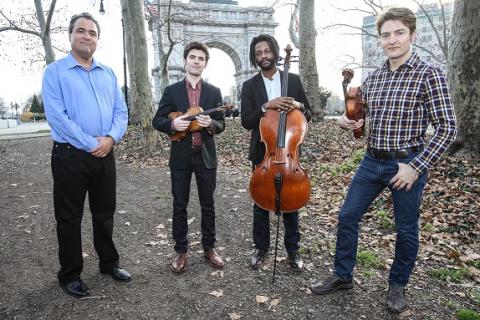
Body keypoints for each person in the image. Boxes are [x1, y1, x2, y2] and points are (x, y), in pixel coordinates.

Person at [310, 7, 457, 313]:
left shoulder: (430, 75)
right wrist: (351, 123)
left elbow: (448, 127)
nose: (392, 40)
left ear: (412, 35)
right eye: (386, 35)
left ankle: (397, 285)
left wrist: (416, 166)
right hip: (371, 160)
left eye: (399, 33)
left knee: (405, 230)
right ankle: (342, 274)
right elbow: (363, 122)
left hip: (407, 163)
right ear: (380, 40)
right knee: (347, 216)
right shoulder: (373, 78)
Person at [42, 12, 130, 298]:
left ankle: (109, 263)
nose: (87, 36)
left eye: (92, 33)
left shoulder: (109, 73)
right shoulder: (55, 72)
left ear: (97, 40)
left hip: (106, 153)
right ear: (70, 35)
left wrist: (111, 138)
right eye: (81, 30)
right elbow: (58, 117)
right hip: (70, 156)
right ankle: (70, 274)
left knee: (104, 213)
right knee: (69, 217)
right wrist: (90, 142)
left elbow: (121, 112)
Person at [241, 34, 312, 272]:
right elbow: (246, 121)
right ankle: (261, 248)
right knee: (260, 204)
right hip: (264, 156)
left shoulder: (292, 80)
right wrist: (265, 106)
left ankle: (293, 251)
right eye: (258, 53)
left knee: (291, 204)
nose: (263, 56)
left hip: (290, 155)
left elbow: (309, 114)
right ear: (255, 57)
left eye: (267, 51)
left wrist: (298, 105)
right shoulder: (249, 86)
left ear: (275, 52)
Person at [152, 41, 226, 273]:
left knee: (208, 205)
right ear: (185, 60)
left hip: (205, 157)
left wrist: (211, 124)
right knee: (179, 205)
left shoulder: (214, 92)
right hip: (180, 157)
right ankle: (181, 251)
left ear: (205, 63)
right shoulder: (171, 91)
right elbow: (158, 120)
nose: (196, 61)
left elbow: (221, 124)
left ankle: (209, 248)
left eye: (201, 58)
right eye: (192, 57)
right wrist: (172, 123)